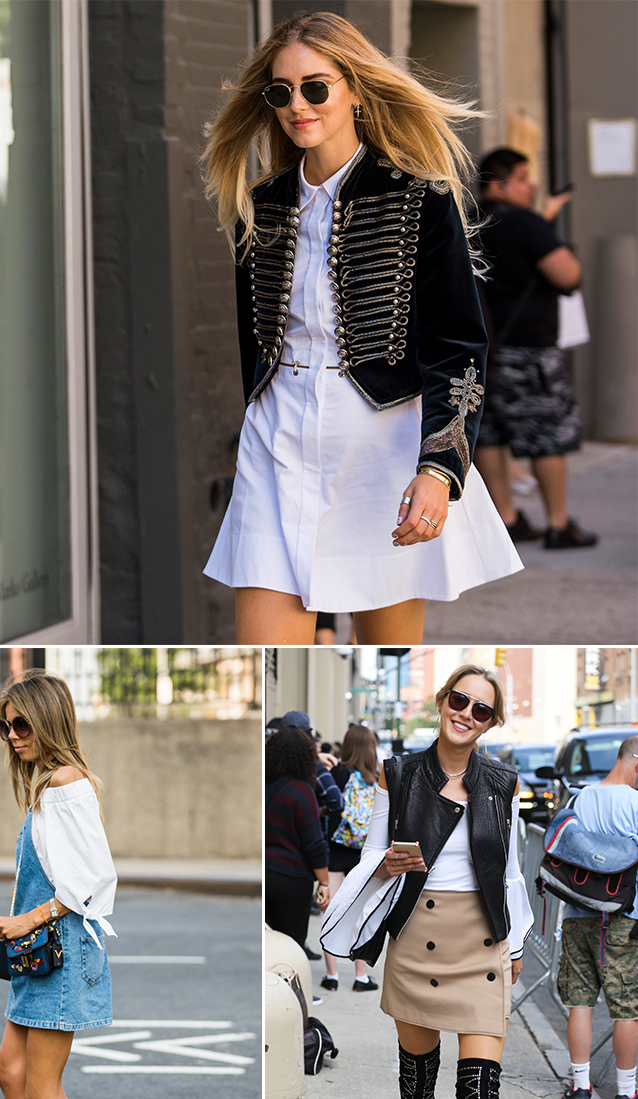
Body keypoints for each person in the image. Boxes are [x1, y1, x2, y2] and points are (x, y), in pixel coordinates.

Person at [201, 12, 521, 645]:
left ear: (354, 88)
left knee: (385, 653)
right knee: (263, 649)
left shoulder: (419, 197)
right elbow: (254, 341)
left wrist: (441, 467)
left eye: (315, 86)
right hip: (276, 441)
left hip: (380, 448)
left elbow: (459, 344)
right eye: (281, 91)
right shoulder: (259, 206)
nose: (298, 105)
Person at [0, 669, 206, 1099]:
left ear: (49, 719)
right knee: (9, 1070)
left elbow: (95, 879)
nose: (11, 734)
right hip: (38, 954)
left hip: (57, 950)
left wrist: (30, 916)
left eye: (21, 723)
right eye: (4, 726)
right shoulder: (47, 785)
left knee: (43, 1093)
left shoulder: (66, 782)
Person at [334, 665, 534, 1099]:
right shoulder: (399, 773)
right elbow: (370, 855)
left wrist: (517, 938)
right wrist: (385, 864)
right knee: (418, 1082)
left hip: (481, 945)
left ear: (491, 723)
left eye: (481, 710)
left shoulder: (502, 782)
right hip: (418, 939)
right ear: (442, 700)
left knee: (480, 1096)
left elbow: (508, 869)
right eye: (459, 700)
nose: (467, 714)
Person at [474, 147, 598, 550]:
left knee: (489, 435)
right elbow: (568, 276)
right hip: (530, 349)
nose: (532, 186)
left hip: (481, 350)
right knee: (547, 435)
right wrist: (549, 229)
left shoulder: (466, 220)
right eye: (524, 178)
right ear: (499, 183)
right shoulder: (527, 223)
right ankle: (558, 523)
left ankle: (506, 519)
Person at [557, 736, 638, 1099]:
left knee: (581, 1003)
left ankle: (580, 1087)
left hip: (579, 912)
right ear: (635, 763)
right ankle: (625, 1094)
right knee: (626, 1010)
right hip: (624, 919)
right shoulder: (637, 804)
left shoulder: (580, 798)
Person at [321, 724, 380, 993]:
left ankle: (331, 976)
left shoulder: (337, 773)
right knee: (361, 912)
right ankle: (360, 977)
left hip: (335, 848)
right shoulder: (377, 778)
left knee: (331, 909)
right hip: (363, 855)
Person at [266, 724, 330, 948]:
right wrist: (324, 883)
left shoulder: (264, 786)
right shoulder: (302, 791)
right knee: (290, 948)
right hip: (292, 881)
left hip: (265, 874)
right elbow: (314, 843)